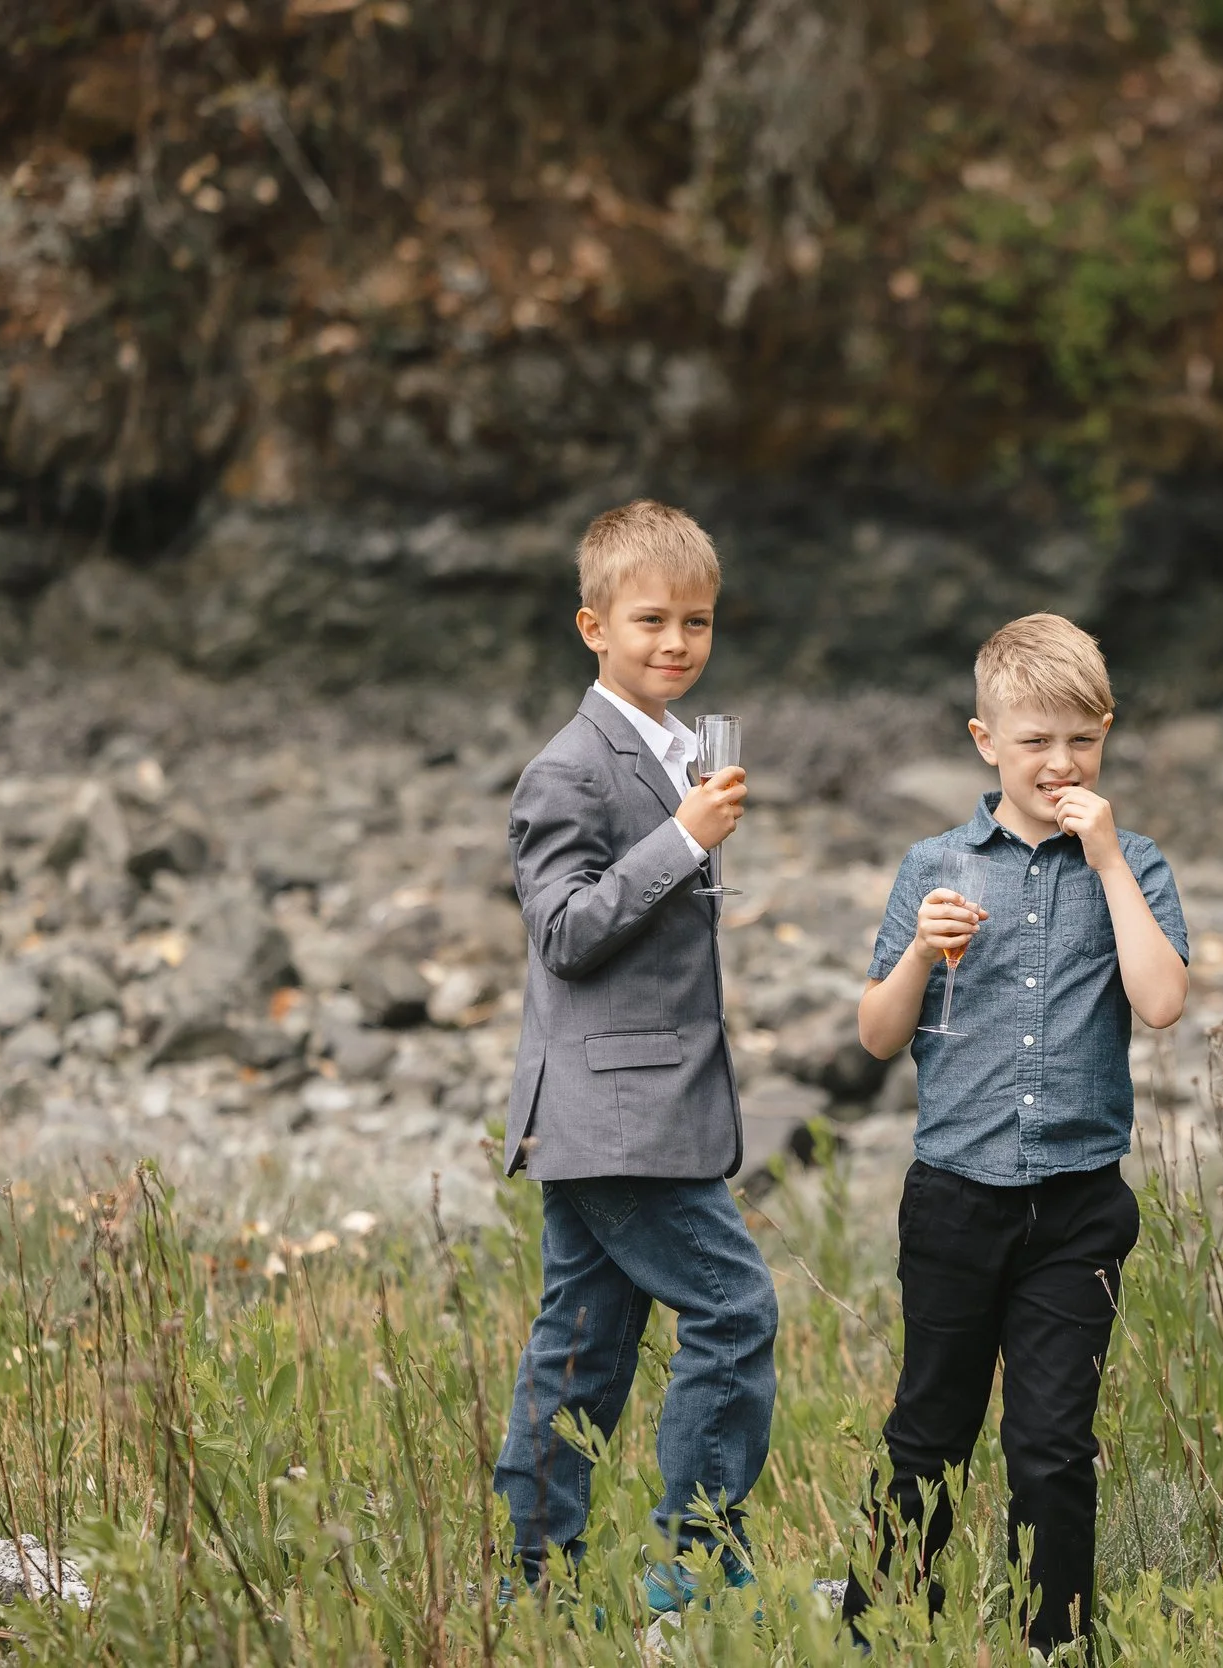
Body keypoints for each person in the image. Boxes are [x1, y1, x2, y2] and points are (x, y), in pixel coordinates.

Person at [844, 612, 1189, 1651]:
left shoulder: (1133, 864)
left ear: (1106, 735)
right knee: (928, 1432)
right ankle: (882, 1626)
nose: (1059, 761)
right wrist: (916, 953)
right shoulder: (936, 863)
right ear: (984, 741)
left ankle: (1054, 1639)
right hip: (955, 1194)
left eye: (1080, 739)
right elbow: (873, 1034)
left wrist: (1109, 860)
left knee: (1051, 1443)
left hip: (1079, 1203)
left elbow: (1163, 1001)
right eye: (1033, 740)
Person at [490, 498, 777, 1616]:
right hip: (610, 1115)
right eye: (650, 619)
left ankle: (528, 1583)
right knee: (732, 1308)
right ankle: (693, 1571)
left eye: (696, 623)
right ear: (591, 626)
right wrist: (684, 843)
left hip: (642, 1108)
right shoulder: (567, 769)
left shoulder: (673, 753)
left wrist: (685, 834)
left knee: (581, 1350)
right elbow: (563, 933)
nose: (675, 643)